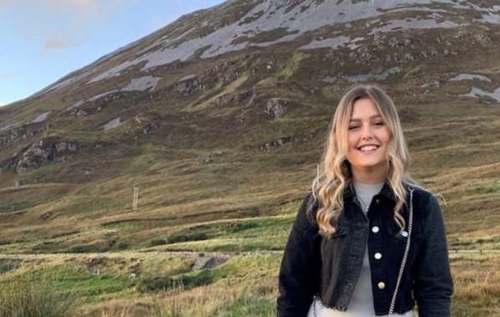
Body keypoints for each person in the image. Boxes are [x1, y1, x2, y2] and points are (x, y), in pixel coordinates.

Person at [276, 84, 453, 317]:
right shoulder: (319, 203)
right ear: (340, 137)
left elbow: (434, 292)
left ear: (392, 131)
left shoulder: (421, 205)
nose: (366, 134)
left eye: (378, 123)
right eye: (353, 126)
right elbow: (293, 287)